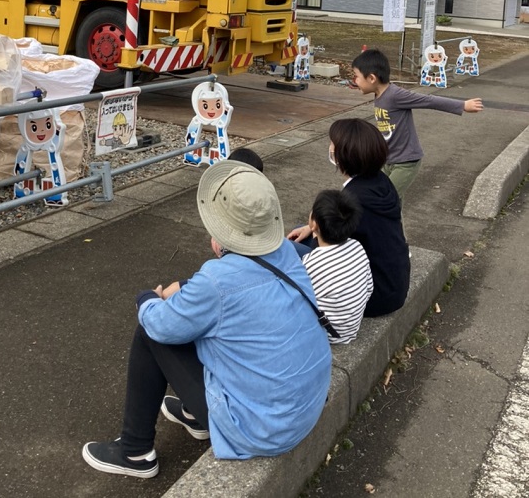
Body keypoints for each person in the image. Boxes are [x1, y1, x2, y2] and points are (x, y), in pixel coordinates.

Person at [82, 159, 332, 478]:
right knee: (218, 330)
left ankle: (134, 452)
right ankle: (196, 416)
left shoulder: (216, 281)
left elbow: (161, 323)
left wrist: (147, 298)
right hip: (303, 407)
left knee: (150, 332)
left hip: (263, 429)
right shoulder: (288, 252)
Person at [289, 119, 410, 318]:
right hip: (394, 285)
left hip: (373, 298)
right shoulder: (381, 181)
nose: (330, 148)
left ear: (344, 154)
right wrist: (310, 227)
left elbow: (328, 250)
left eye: (333, 144)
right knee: (300, 233)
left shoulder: (353, 199)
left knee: (284, 249)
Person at [351, 48, 483, 201]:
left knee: (387, 199)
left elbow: (428, 100)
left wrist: (462, 105)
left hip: (405, 162)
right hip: (388, 160)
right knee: (389, 201)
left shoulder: (395, 95)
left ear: (372, 78)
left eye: (357, 77)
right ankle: (390, 225)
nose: (355, 81)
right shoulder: (379, 95)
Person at [301, 189, 373, 344]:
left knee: (288, 248)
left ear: (314, 223)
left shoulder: (311, 262)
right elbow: (368, 289)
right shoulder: (357, 246)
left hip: (326, 334)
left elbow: (297, 302)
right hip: (350, 328)